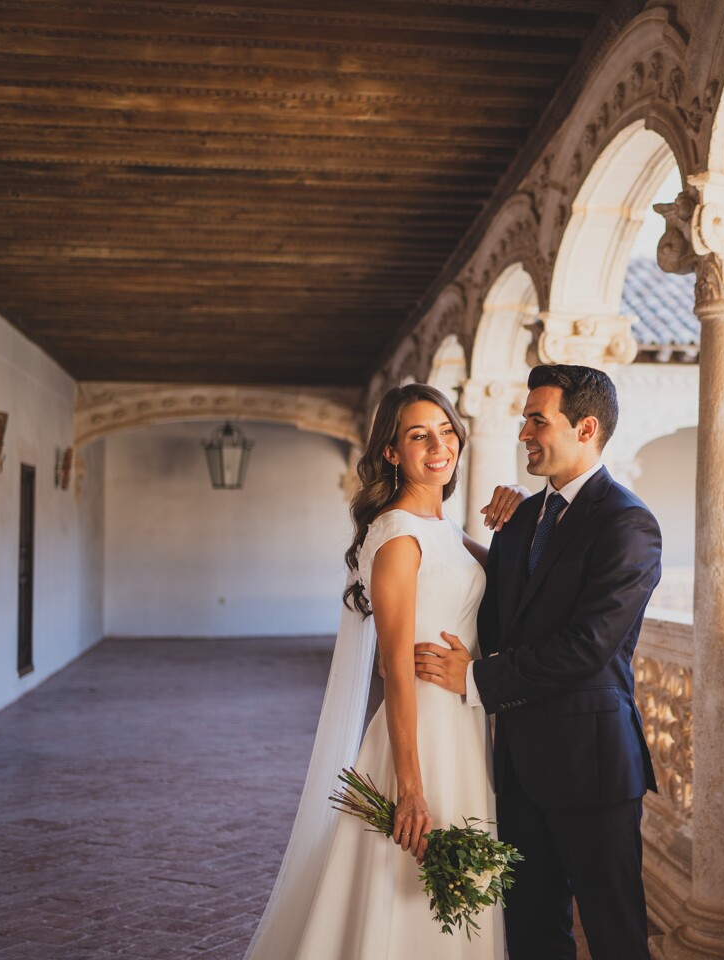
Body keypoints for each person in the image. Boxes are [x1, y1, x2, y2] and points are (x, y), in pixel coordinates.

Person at [243, 383, 526, 960]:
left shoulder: (444, 530)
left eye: (446, 431)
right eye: (419, 435)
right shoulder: (398, 537)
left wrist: (520, 504)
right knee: (401, 891)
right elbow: (395, 672)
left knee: (451, 892)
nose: (438, 446)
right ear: (392, 453)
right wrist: (411, 790)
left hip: (463, 724)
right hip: (419, 737)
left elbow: (515, 581)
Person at [416, 363, 663, 960]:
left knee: (614, 932)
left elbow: (587, 646)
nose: (524, 432)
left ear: (586, 427)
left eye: (537, 419)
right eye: (525, 419)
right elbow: (497, 614)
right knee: (530, 929)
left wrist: (476, 677)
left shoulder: (628, 524)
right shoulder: (523, 517)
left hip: (593, 762)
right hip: (518, 763)